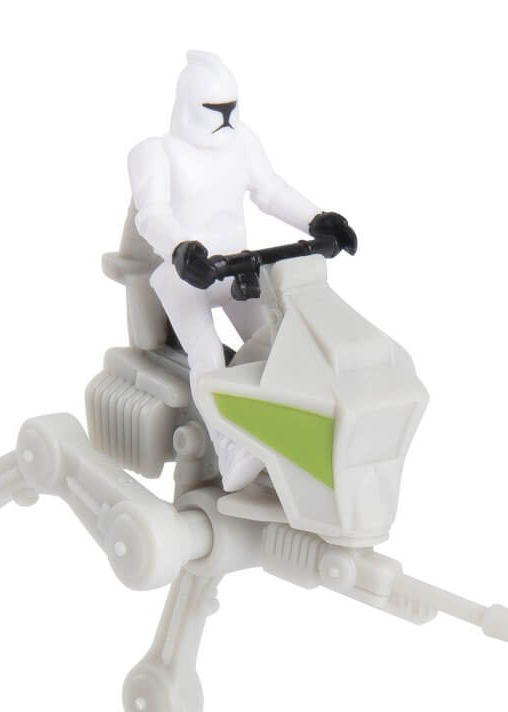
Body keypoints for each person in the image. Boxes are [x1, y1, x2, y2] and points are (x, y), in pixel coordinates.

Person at [128, 51, 357, 491]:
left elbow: (270, 191)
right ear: (186, 104)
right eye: (213, 108)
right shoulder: (154, 153)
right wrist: (180, 250)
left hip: (238, 267)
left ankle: (279, 433)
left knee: (281, 345)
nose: (224, 117)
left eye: (230, 107)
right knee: (208, 358)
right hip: (186, 276)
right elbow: (151, 215)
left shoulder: (243, 142)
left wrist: (317, 220)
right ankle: (229, 447)